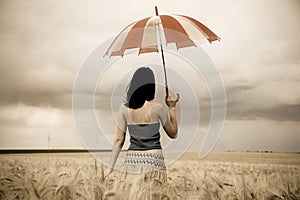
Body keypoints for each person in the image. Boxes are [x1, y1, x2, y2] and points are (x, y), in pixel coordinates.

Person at [107, 67, 179, 181]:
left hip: (132, 161)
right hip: (155, 160)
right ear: (151, 86)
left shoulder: (124, 109)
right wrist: (172, 108)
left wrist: (109, 168)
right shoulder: (157, 107)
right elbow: (173, 134)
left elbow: (119, 140)